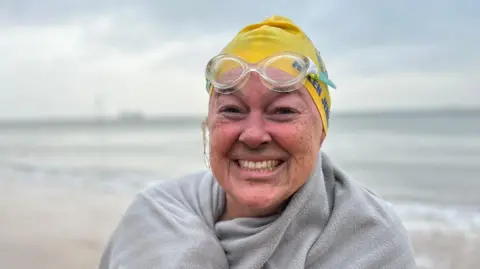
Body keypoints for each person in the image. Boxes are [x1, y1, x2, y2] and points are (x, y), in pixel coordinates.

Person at [98, 15, 417, 269]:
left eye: (282, 111)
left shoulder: (370, 239)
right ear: (209, 126)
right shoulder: (156, 214)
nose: (253, 135)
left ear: (321, 131)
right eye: (232, 110)